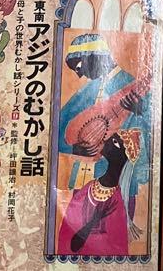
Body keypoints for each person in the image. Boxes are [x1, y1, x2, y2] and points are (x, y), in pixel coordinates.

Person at [57, 33, 151, 240]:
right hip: (82, 182)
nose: (79, 75)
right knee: (75, 240)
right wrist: (74, 148)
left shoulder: (132, 87)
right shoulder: (87, 91)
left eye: (79, 66)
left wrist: (141, 113)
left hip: (119, 183)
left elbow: (153, 137)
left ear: (93, 56)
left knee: (113, 239)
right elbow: (56, 129)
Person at [57, 129, 140, 256]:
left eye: (114, 142)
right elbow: (68, 233)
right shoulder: (88, 189)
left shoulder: (117, 201)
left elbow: (116, 247)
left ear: (123, 157)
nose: (106, 142)